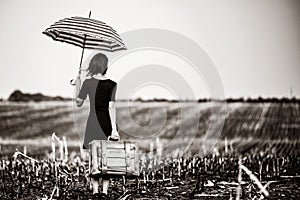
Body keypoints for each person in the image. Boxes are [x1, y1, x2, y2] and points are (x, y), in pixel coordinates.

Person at [75, 53, 119, 198]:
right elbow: (111, 108)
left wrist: (77, 84)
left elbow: (78, 103)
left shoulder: (87, 83)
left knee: (94, 160)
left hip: (93, 123)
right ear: (105, 66)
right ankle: (105, 193)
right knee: (106, 160)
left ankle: (95, 192)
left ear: (93, 65)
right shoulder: (112, 84)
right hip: (107, 124)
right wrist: (114, 130)